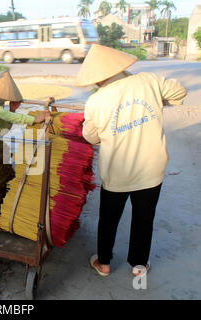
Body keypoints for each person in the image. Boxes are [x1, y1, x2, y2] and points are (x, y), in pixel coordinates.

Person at [76, 44, 187, 277]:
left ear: (96, 78)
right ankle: (138, 266)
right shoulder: (149, 81)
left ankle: (104, 264)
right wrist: (159, 102)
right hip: (151, 170)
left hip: (117, 172)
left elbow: (90, 136)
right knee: (144, 219)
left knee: (108, 219)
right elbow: (179, 92)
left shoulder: (96, 101)